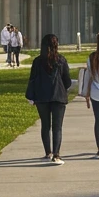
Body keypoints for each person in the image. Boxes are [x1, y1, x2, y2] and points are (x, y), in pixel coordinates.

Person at [25, 33, 72, 165]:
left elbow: (32, 80)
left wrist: (31, 96)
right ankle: (56, 155)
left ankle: (48, 152)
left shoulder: (37, 61)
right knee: (57, 127)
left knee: (45, 126)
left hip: (41, 97)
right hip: (58, 96)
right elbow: (67, 81)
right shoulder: (61, 60)